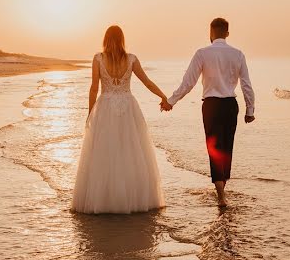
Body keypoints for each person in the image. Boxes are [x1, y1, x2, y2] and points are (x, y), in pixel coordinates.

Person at [71, 25, 167, 214]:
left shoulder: (98, 58)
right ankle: (130, 199)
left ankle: (105, 199)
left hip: (105, 107)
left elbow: (93, 88)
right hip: (127, 107)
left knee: (104, 152)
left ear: (105, 39)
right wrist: (163, 97)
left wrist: (90, 114)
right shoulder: (131, 59)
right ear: (122, 39)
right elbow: (146, 81)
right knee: (129, 152)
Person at [162, 18, 255, 207]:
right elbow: (246, 84)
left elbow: (188, 82)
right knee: (227, 147)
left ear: (211, 32)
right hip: (230, 105)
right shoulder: (238, 54)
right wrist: (250, 109)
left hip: (211, 106)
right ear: (227, 33)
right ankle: (222, 189)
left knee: (213, 147)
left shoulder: (202, 53)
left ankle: (220, 194)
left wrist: (171, 101)